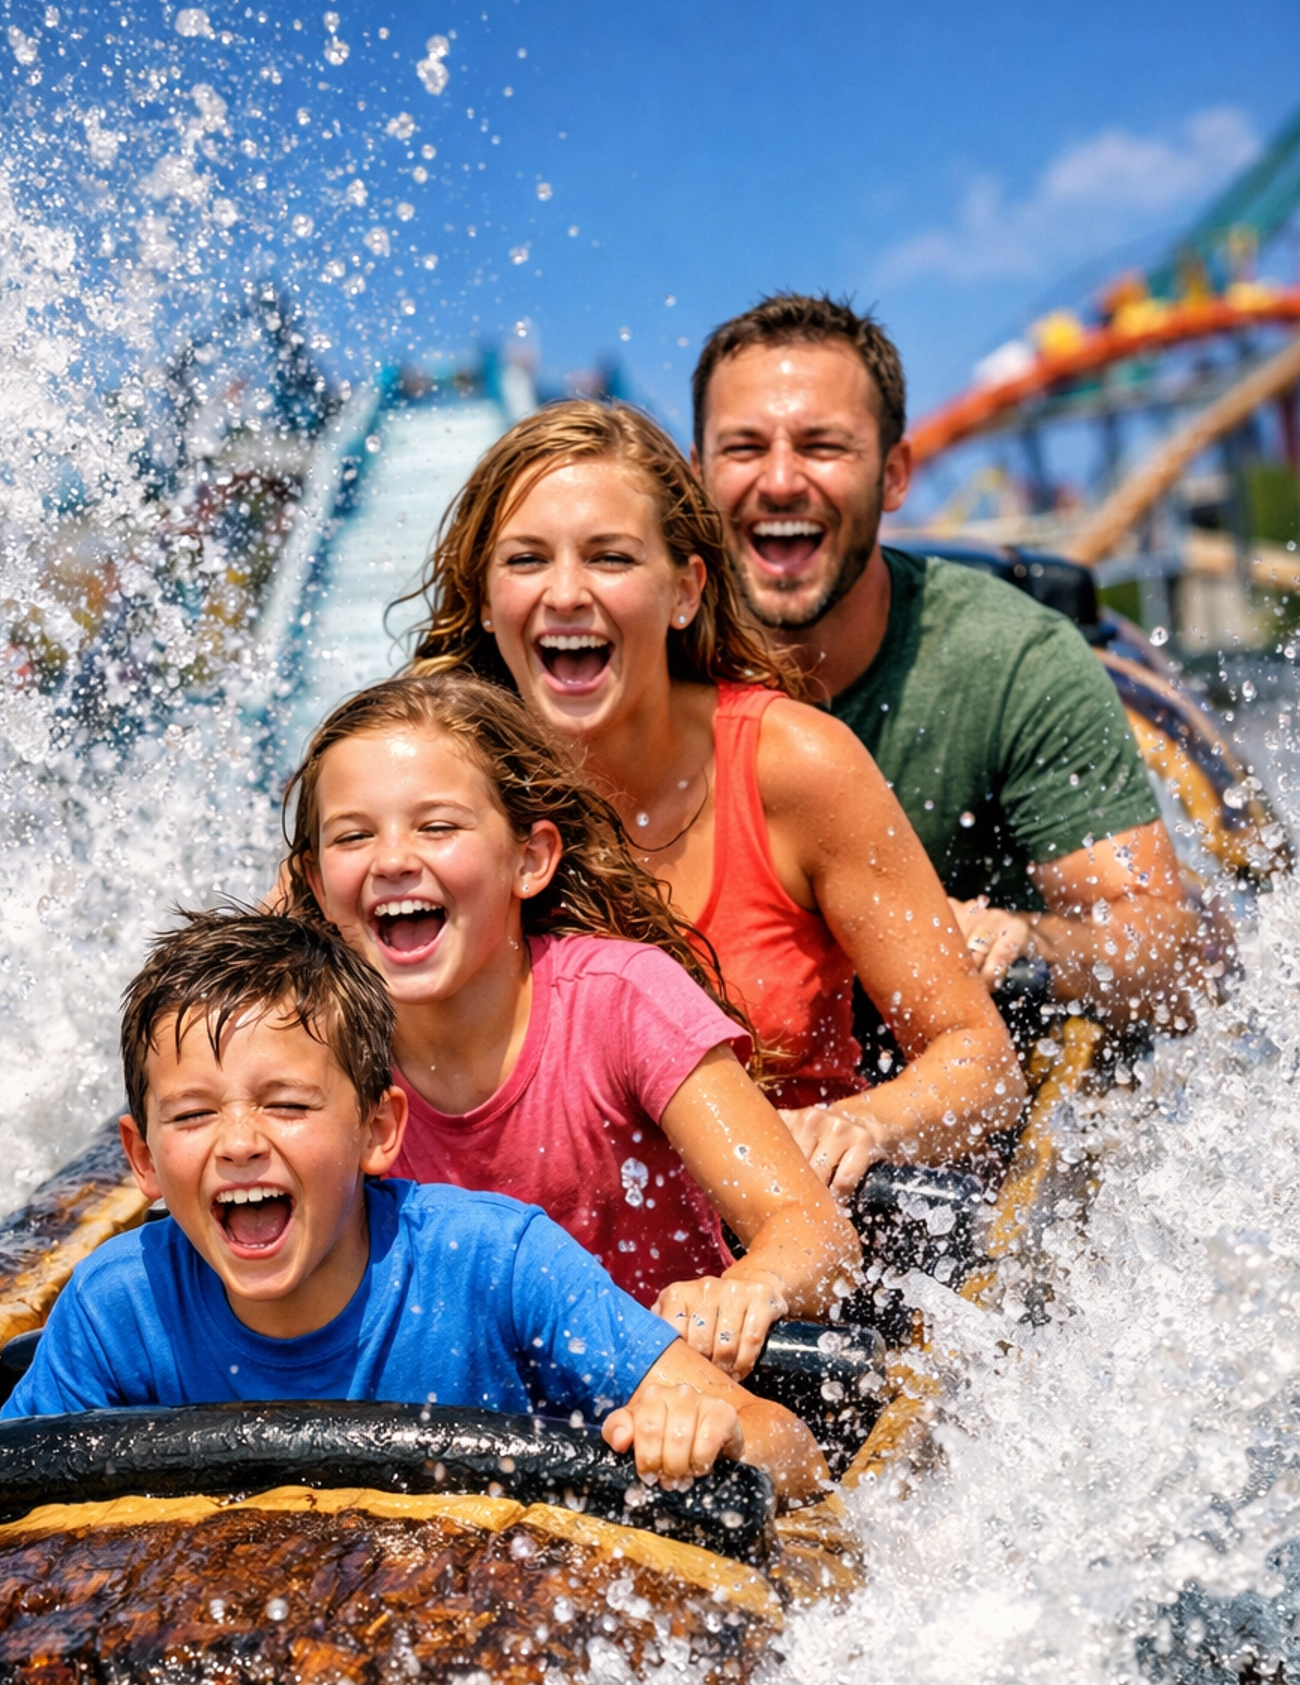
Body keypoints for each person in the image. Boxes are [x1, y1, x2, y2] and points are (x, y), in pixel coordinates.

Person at [403, 399, 1026, 1201]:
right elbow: (272, 1010)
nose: (564, 594)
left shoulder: (795, 768)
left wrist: (864, 1122)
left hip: (771, 1255)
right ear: (485, 600)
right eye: (526, 561)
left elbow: (979, 1063)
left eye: (610, 559)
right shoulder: (414, 790)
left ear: (685, 591)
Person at [0, 907, 826, 1503]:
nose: (239, 1142)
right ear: (142, 1159)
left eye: (287, 1104)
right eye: (192, 1115)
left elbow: (790, 1450)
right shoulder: (118, 1309)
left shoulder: (494, 1265)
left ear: (379, 1129)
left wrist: (708, 1436)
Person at [281, 670, 860, 1378]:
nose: (394, 859)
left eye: (438, 826)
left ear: (530, 859)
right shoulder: (309, 1053)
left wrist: (747, 1289)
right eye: (353, 836)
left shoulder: (624, 1001)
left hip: (670, 1418)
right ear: (316, 884)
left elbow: (813, 1231)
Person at [689, 292, 1204, 1028]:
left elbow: (1165, 951)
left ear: (896, 474)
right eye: (743, 448)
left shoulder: (1012, 661)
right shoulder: (644, 663)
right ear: (694, 472)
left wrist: (1028, 939)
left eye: (822, 446)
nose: (778, 480)